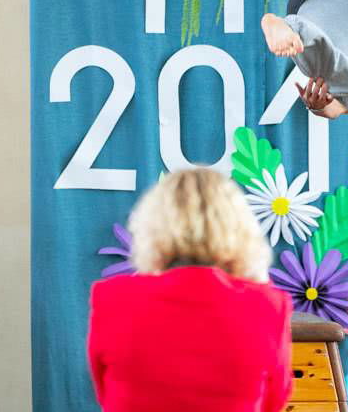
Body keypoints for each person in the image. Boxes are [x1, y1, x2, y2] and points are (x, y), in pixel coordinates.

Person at [87, 168, 293, 412]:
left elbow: (105, 393)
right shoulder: (268, 305)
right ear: (239, 233)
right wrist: (259, 283)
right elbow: (274, 401)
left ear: (152, 229)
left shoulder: (112, 297)